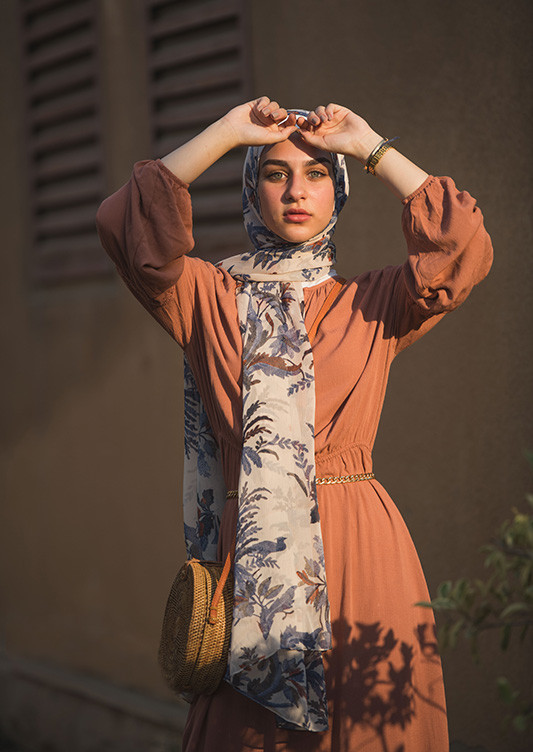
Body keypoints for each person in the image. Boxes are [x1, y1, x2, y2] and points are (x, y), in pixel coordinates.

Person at [96, 97, 493, 751]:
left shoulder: (374, 302)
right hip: (250, 561)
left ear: (338, 192)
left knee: (371, 725)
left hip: (362, 547)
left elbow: (462, 246)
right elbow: (125, 222)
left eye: (315, 173)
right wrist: (228, 132)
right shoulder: (205, 297)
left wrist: (367, 145)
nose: (295, 191)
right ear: (253, 191)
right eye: (274, 174)